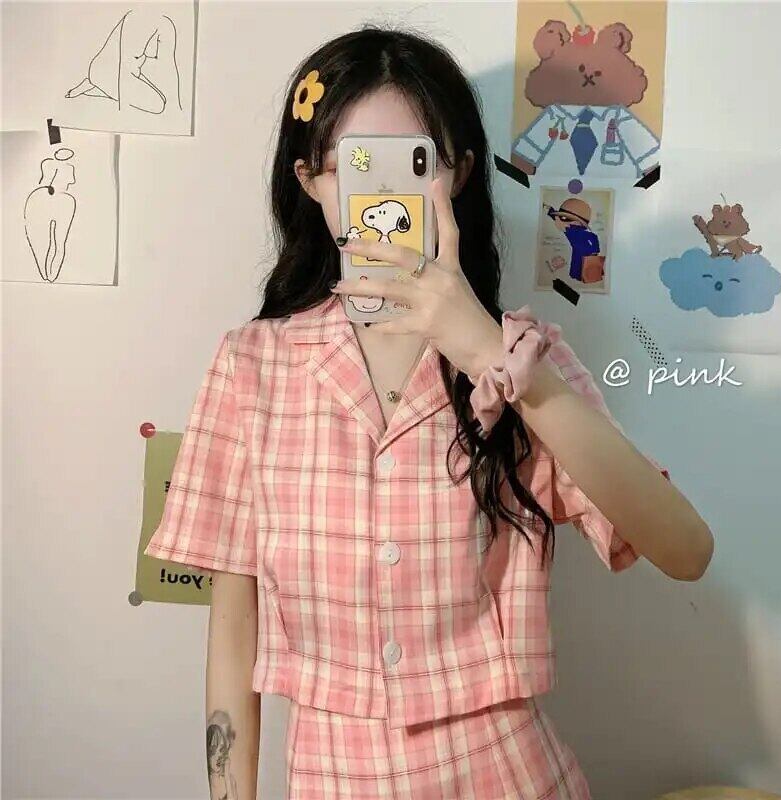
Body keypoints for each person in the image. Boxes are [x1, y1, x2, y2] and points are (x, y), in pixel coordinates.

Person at [144, 26, 713, 800]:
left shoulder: (523, 357)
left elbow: (685, 549)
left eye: (416, 163)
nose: (386, 196)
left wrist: (485, 349)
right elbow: (232, 622)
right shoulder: (252, 367)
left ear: (459, 173)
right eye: (356, 165)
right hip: (332, 779)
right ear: (311, 180)